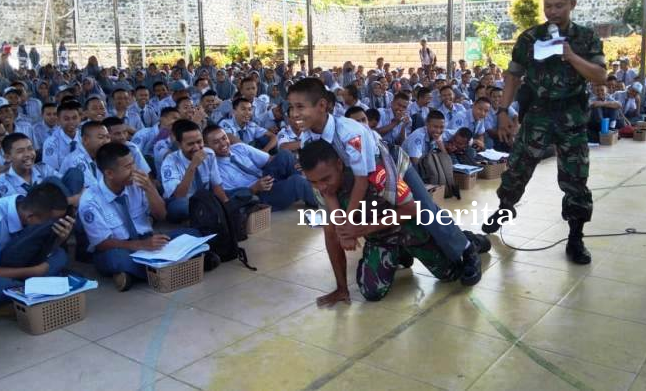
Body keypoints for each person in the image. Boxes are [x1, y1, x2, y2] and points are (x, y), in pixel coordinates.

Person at [289, 78, 480, 307]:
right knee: (359, 219)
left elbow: (362, 179)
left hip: (387, 163)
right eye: (291, 107)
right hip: (357, 177)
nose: (294, 113)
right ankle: (396, 249)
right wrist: (343, 228)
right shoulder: (307, 138)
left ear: (321, 106)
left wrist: (350, 225)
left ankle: (467, 248)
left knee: (425, 210)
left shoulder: (349, 131)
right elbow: (329, 201)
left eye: (300, 106)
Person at [483, 0, 607, 266]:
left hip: (572, 117)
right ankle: (504, 210)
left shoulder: (586, 38)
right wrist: (503, 111)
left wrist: (571, 55)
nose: (552, 12)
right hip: (537, 114)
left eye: (559, 6)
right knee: (517, 168)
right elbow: (513, 76)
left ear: (572, 4)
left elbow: (600, 75)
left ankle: (576, 237)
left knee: (575, 178)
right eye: (548, 6)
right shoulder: (529, 38)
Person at [300, 140, 462, 302]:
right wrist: (342, 288)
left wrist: (359, 231)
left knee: (450, 274)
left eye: (326, 178)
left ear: (339, 164)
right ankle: (398, 255)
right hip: (381, 239)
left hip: (411, 229)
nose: (321, 187)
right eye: (313, 182)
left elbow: (412, 209)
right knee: (371, 292)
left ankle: (470, 240)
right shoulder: (324, 191)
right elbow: (331, 236)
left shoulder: (375, 172)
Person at [79, 142, 212, 292]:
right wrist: (141, 245)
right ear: (109, 173)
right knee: (117, 259)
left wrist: (149, 188)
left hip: (149, 242)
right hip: (119, 247)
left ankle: (136, 275)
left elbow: (161, 215)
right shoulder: (90, 201)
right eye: (128, 167)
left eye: (133, 164)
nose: (135, 170)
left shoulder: (137, 183)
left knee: (193, 234)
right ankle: (183, 267)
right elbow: (102, 243)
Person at [0, 183, 75, 308]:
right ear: (30, 217)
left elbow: (37, 248)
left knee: (60, 254)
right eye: (51, 220)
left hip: (18, 262)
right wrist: (33, 271)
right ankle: (38, 285)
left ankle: (27, 287)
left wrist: (60, 239)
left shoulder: (23, 203)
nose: (54, 224)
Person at [204, 126, 317, 211]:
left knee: (285, 154)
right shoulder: (214, 169)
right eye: (216, 142)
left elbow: (269, 159)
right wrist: (254, 188)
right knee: (297, 182)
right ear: (207, 147)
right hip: (256, 196)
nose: (223, 144)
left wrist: (295, 163)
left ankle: (305, 190)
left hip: (264, 179)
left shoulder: (239, 148)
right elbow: (232, 199)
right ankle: (320, 200)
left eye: (224, 138)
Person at [160, 119, 229, 222]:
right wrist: (192, 166)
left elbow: (216, 185)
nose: (197, 147)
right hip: (182, 201)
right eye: (190, 144)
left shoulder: (209, 154)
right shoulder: (170, 162)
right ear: (179, 144)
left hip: (205, 199)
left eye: (199, 142)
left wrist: (227, 207)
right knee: (182, 206)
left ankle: (208, 214)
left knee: (237, 193)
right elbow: (179, 195)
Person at [0, 133, 83, 204]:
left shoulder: (42, 168)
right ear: (7, 157)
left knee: (75, 173)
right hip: (33, 221)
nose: (28, 154)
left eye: (30, 148)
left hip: (58, 210)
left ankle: (70, 214)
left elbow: (69, 185)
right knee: (51, 180)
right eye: (20, 151)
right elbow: (27, 208)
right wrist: (71, 200)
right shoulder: (4, 180)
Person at [60, 121, 111, 189]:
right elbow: (93, 189)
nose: (106, 141)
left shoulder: (101, 155)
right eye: (101, 137)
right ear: (85, 140)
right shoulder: (75, 159)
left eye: (108, 137)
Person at [41, 100, 82, 172]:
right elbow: (51, 171)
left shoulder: (85, 137)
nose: (71, 122)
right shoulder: (51, 142)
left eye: (74, 118)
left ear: (80, 119)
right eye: (66, 119)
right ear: (58, 121)